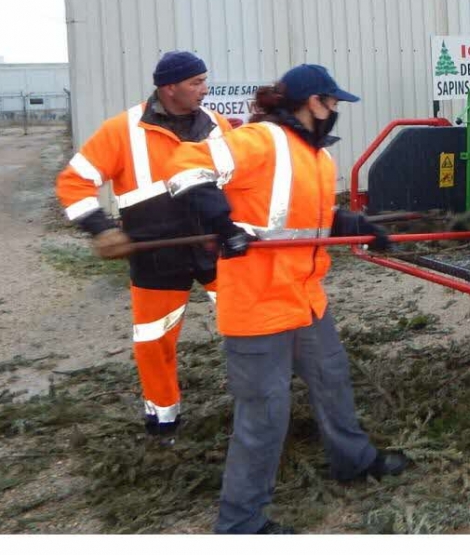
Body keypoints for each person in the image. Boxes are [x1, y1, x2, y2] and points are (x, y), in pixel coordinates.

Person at [165, 64, 410, 534]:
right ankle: (240, 524)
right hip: (258, 305)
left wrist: (355, 227)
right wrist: (222, 223)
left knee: (332, 378)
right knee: (263, 416)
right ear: (311, 102)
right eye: (333, 102)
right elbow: (184, 164)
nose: (336, 111)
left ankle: (352, 461)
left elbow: (306, 220)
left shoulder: (317, 158)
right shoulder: (263, 140)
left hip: (305, 300)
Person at [56, 51, 232, 437]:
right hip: (156, 256)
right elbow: (73, 182)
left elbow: (241, 178)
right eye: (196, 83)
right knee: (155, 340)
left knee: (244, 325)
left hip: (214, 247)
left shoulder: (217, 125)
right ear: (169, 88)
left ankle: (257, 404)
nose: (205, 89)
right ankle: (163, 420)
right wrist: (100, 228)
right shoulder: (122, 130)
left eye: (204, 80)